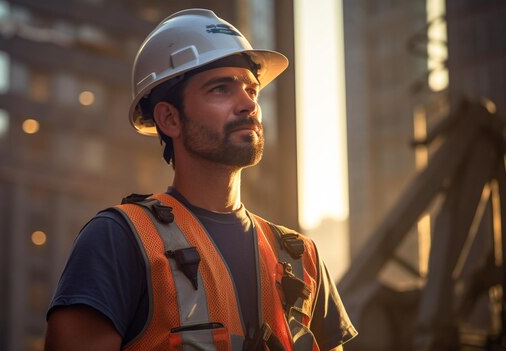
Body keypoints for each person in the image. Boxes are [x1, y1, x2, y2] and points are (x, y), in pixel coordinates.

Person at [45, 8, 357, 351]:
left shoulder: (302, 259)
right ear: (169, 118)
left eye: (251, 90)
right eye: (221, 89)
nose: (248, 105)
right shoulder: (119, 240)